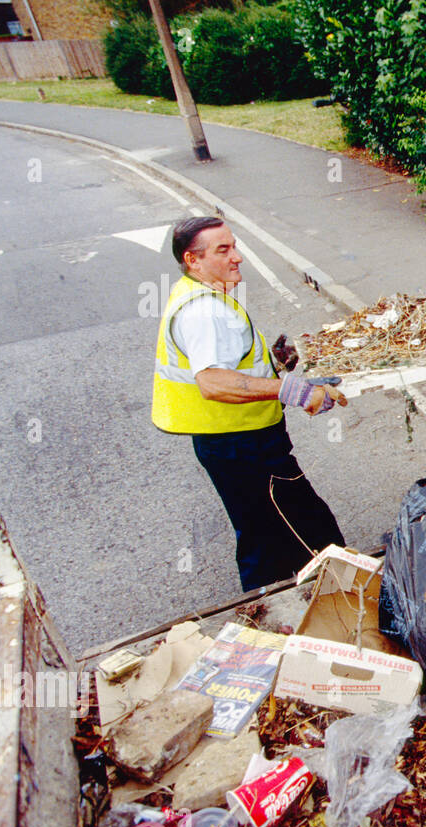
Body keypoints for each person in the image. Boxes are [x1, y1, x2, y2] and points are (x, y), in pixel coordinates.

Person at [151, 216, 349, 591]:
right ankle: (335, 607)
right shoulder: (205, 311)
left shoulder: (196, 293)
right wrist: (299, 392)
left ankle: (277, 616)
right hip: (245, 447)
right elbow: (213, 382)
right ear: (193, 260)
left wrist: (277, 365)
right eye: (223, 250)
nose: (237, 257)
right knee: (311, 537)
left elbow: (230, 364)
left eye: (234, 246)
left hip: (230, 442)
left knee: (266, 536)